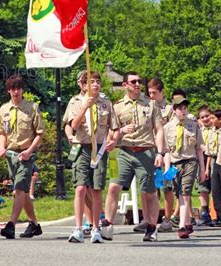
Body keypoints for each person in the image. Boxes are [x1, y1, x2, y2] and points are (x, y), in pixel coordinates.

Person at [100, 71, 164, 242]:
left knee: (149, 192)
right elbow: (112, 133)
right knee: (114, 187)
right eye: (133, 82)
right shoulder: (117, 106)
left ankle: (151, 228)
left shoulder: (151, 105)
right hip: (124, 152)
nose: (137, 85)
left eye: (139, 82)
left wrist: (160, 152)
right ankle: (107, 225)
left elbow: (159, 130)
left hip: (146, 151)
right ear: (125, 85)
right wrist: (119, 134)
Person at [65, 70, 119, 244]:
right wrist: (85, 107)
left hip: (99, 149)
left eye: (97, 81)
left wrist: (113, 140)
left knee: (96, 189)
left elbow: (115, 127)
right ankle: (79, 228)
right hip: (82, 148)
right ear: (83, 85)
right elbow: (73, 124)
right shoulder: (75, 102)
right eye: (91, 81)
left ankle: (96, 228)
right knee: (80, 188)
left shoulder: (106, 103)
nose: (95, 84)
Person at [0, 74, 44, 239]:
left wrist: (29, 151)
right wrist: (2, 147)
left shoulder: (32, 108)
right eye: (12, 88)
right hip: (11, 155)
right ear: (8, 90)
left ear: (23, 90)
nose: (15, 91)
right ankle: (34, 224)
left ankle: (11, 225)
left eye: (18, 88)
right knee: (22, 192)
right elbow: (1, 132)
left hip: (26, 155)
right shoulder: (3, 109)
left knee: (19, 189)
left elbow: (39, 133)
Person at [163, 97, 205, 239]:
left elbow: (199, 149)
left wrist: (203, 169)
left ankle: (181, 226)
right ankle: (187, 222)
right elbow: (167, 151)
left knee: (185, 193)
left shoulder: (193, 125)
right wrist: (167, 170)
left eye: (185, 108)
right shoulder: (167, 128)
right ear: (174, 110)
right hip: (175, 163)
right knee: (179, 193)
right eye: (180, 108)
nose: (183, 111)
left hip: (190, 162)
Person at [147, 78, 175, 233]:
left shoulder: (170, 109)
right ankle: (150, 218)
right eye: (149, 92)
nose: (151, 95)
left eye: (154, 92)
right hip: (149, 150)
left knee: (166, 187)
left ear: (162, 92)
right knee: (150, 187)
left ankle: (168, 219)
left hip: (165, 153)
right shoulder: (147, 107)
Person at [206, 109, 221, 226]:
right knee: (215, 190)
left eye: (213, 118)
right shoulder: (211, 132)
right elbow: (209, 152)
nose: (211, 120)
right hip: (214, 161)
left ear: (220, 119)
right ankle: (219, 215)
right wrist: (207, 168)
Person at [196, 105, 213, 225]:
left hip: (214, 159)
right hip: (201, 158)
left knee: (217, 188)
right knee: (202, 188)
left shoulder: (215, 129)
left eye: (207, 116)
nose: (205, 119)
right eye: (202, 117)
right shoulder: (199, 130)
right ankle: (204, 212)